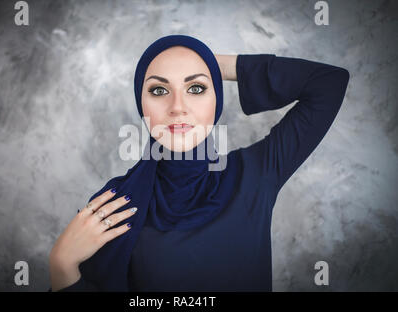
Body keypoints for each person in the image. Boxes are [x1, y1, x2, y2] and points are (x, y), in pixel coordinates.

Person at [48, 35, 350, 292]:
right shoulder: (114, 203)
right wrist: (62, 266)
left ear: (217, 99)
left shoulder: (256, 174)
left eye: (196, 88)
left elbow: (327, 83)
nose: (177, 107)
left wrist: (209, 62)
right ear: (141, 104)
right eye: (158, 90)